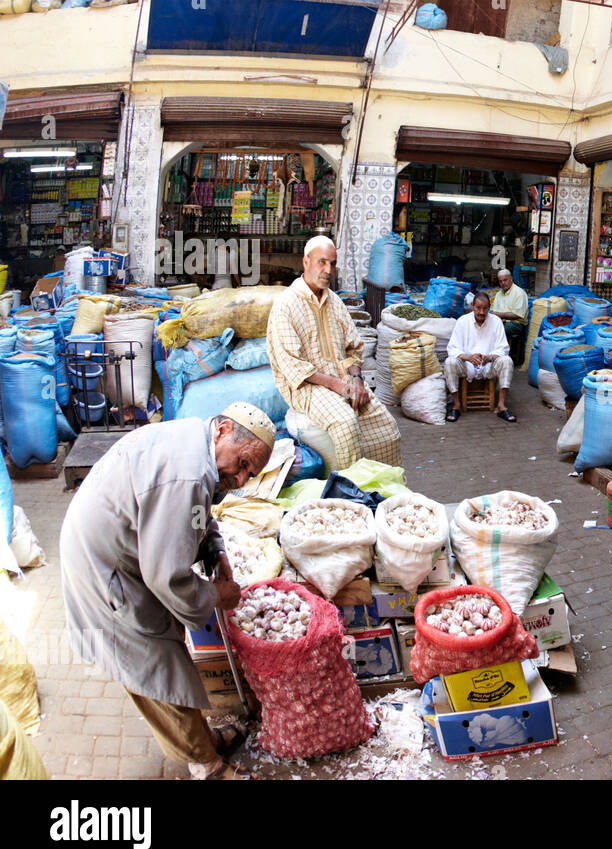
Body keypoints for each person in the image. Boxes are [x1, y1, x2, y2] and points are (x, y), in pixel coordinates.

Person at [60, 402, 276, 780]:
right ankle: (207, 765)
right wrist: (215, 597)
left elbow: (195, 513)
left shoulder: (198, 445)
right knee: (158, 667)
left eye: (250, 473)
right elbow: (166, 577)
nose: (241, 480)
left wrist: (215, 548)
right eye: (242, 464)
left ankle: (202, 739)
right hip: (103, 567)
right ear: (223, 429)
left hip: (121, 552)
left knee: (167, 647)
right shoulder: (189, 474)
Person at [266, 236, 401, 469]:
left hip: (343, 378)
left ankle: (384, 492)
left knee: (386, 427)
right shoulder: (285, 305)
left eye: (332, 264)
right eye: (322, 262)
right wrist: (337, 385)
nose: (328, 270)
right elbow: (293, 367)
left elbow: (353, 347)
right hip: (308, 387)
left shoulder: (335, 302)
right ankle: (352, 494)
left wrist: (357, 379)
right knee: (345, 423)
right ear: (305, 262)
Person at [445, 291, 517, 422]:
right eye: (478, 308)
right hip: (467, 365)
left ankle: (501, 406)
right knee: (450, 362)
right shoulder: (462, 321)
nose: (481, 312)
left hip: (488, 365)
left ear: (489, 308)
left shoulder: (496, 321)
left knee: (507, 361)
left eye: (485, 308)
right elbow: (452, 348)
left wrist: (489, 357)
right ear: (472, 306)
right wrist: (468, 357)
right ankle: (456, 405)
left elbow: (503, 348)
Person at [491, 268, 529, 366]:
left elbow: (517, 315)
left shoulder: (519, 293)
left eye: (505, 280)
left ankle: (500, 357)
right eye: (500, 281)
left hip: (516, 324)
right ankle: (490, 355)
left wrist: (499, 315)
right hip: (501, 322)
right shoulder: (499, 294)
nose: (503, 283)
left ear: (511, 279)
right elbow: (494, 311)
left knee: (497, 330)